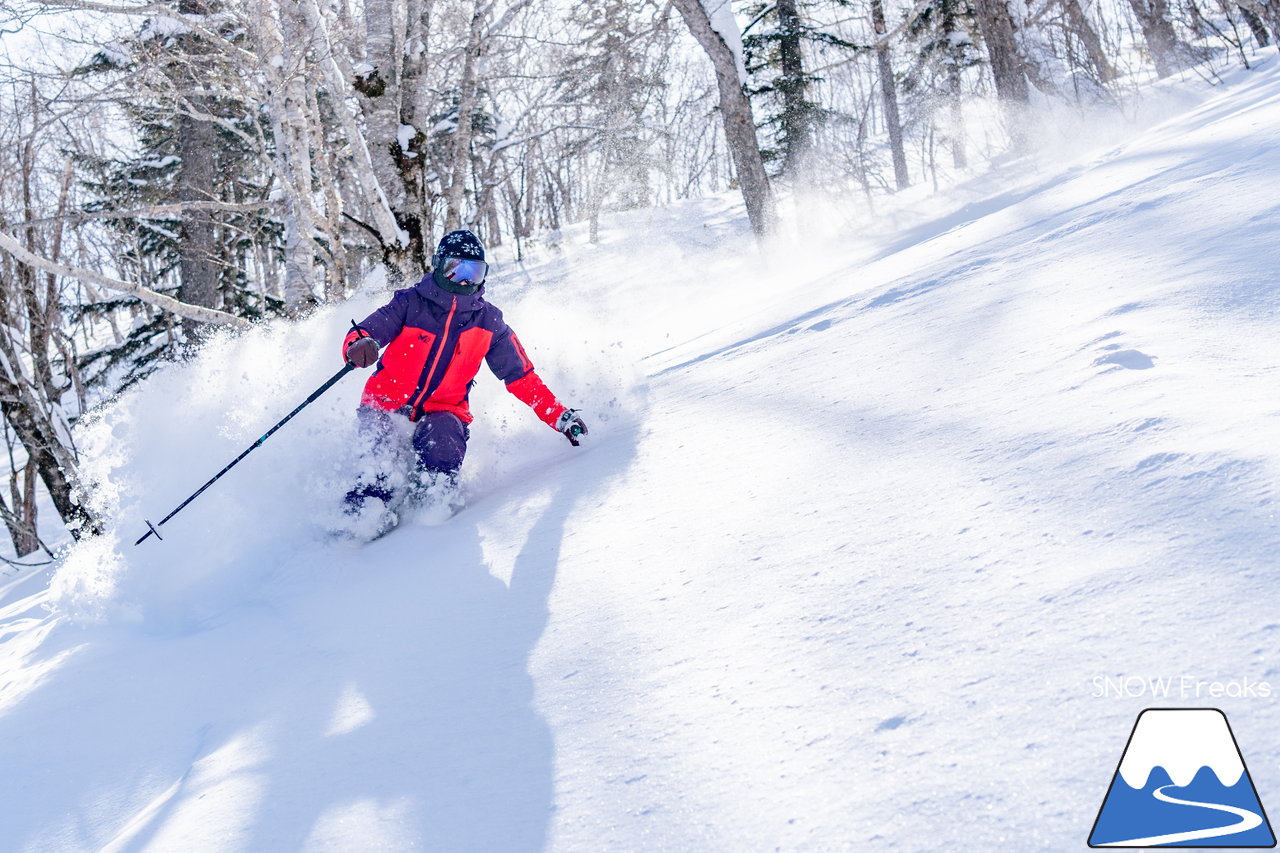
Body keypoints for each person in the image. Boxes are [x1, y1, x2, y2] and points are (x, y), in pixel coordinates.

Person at [340, 229, 587, 529]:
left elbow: (521, 376)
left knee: (444, 440)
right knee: (378, 458)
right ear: (438, 265)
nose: (465, 280)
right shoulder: (409, 303)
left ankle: (431, 507)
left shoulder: (489, 322)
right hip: (385, 405)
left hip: (443, 412)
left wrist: (559, 415)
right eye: (456, 270)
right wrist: (359, 345)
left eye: (475, 271)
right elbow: (366, 331)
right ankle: (361, 519)